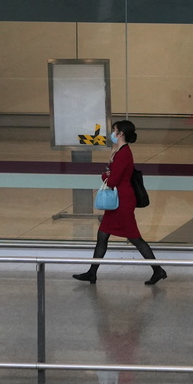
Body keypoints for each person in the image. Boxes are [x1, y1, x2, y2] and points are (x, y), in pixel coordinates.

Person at [72, 120, 167, 286]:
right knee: (103, 235)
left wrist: (104, 175)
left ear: (120, 133)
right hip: (118, 201)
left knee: (135, 238)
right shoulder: (120, 151)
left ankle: (158, 270)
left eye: (114, 130)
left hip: (121, 202)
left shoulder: (123, 154)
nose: (112, 133)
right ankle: (92, 273)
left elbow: (112, 180)